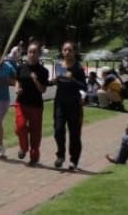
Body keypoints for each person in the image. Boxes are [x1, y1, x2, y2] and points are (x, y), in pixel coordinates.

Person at [52, 41, 87, 171]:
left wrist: (72, 79)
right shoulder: (59, 66)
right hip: (60, 103)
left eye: (70, 50)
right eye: (65, 50)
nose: (67, 52)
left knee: (74, 134)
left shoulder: (78, 68)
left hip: (74, 104)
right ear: (62, 52)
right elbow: (58, 82)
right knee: (58, 130)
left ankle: (74, 160)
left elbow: (84, 86)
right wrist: (54, 81)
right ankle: (60, 155)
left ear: (74, 52)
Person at [14, 42, 50, 165]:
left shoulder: (43, 71)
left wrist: (35, 80)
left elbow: (43, 90)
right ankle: (23, 148)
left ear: (39, 54)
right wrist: (16, 89)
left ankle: (34, 155)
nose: (32, 54)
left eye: (35, 52)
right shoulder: (21, 67)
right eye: (30, 52)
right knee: (20, 127)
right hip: (21, 103)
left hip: (36, 105)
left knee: (35, 132)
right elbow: (18, 81)